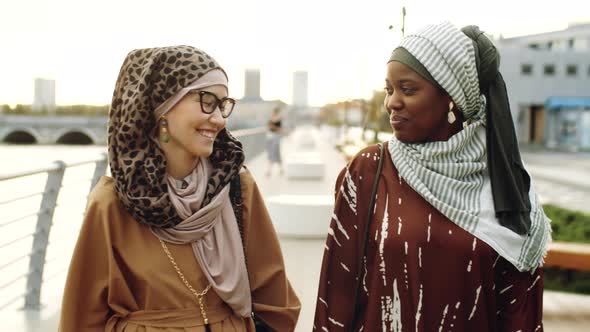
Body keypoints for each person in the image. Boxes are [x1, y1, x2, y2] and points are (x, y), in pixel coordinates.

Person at [313, 22, 551, 331]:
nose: (391, 102)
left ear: (451, 97)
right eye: (389, 89)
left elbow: (519, 310)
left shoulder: (506, 186)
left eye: (407, 89)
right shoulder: (371, 170)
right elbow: (337, 292)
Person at [59, 45, 300, 331]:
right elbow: (82, 318)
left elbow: (276, 303)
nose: (221, 119)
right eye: (207, 100)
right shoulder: (111, 204)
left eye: (223, 104)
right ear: (163, 106)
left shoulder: (236, 187)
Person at [266, 107, 284, 176]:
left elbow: (279, 129)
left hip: (276, 138)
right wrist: (273, 127)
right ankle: (270, 170)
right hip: (270, 138)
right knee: (271, 153)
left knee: (275, 153)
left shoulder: (278, 120)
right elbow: (269, 127)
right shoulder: (271, 119)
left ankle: (271, 170)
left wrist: (273, 127)